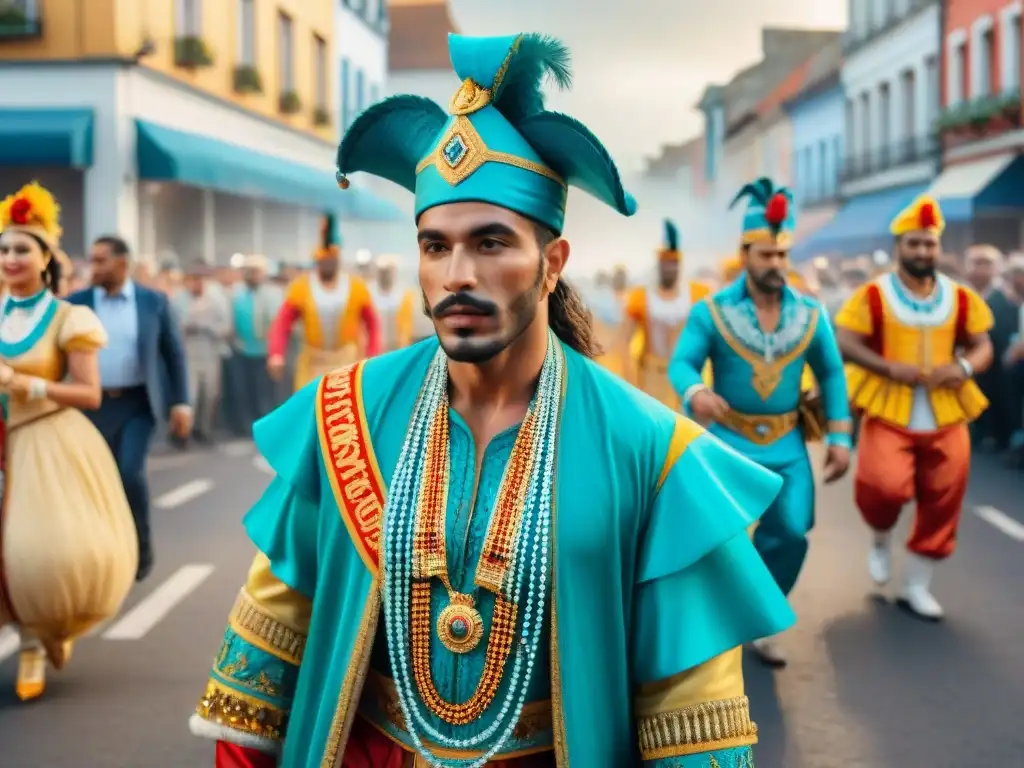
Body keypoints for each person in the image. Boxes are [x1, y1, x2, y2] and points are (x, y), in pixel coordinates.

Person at [188, 32, 794, 768]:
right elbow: (268, 646)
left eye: (491, 242)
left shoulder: (650, 451)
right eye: (435, 246)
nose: (457, 274)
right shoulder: (342, 413)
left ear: (552, 263)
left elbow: (692, 716)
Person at [668, 177, 852, 667]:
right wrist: (697, 391)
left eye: (781, 255)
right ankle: (709, 619)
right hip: (726, 442)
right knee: (714, 535)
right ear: (745, 253)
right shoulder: (711, 312)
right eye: (765, 254)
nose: (775, 264)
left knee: (791, 531)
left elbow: (831, 372)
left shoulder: (811, 315)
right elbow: (682, 363)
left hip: (789, 444)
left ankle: (761, 617)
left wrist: (838, 434)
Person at [0, 182, 137, 700]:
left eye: (21, 249)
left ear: (45, 258)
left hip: (44, 441)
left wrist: (26, 384)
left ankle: (36, 641)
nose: (10, 259)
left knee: (35, 552)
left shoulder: (67, 318)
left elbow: (89, 393)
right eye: (4, 249)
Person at [835, 195, 993, 621]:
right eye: (914, 244)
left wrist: (963, 366)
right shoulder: (873, 294)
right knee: (882, 487)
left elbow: (983, 345)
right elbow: (844, 339)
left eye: (929, 244)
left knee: (945, 497)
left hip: (945, 413)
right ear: (899, 246)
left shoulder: (959, 298)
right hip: (889, 409)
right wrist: (887, 366)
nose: (923, 252)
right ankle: (881, 537)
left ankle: (916, 585)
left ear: (939, 248)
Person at [68, 235, 192, 582]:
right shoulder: (76, 303)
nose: (93, 267)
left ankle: (140, 546)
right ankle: (102, 552)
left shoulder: (152, 302)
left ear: (122, 263)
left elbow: (174, 353)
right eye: (91, 260)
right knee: (93, 481)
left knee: (130, 474)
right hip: (91, 405)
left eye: (100, 260)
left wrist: (181, 402)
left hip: (138, 404)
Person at [267, 214, 381, 390]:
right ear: (317, 260)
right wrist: (276, 353)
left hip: (347, 363)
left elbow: (372, 322)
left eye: (331, 260)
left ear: (337, 259)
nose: (327, 264)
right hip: (312, 363)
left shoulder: (357, 287)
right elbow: (282, 323)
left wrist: (372, 354)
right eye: (323, 261)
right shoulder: (301, 287)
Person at [624, 220, 710, 403]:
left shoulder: (697, 294)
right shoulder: (641, 296)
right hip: (652, 375)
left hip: (686, 374)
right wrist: (628, 380)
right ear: (659, 263)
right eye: (666, 263)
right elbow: (624, 342)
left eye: (674, 263)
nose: (670, 268)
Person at [174, 264, 232, 443]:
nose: (196, 284)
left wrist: (208, 328)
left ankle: (203, 429)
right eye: (192, 280)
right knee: (190, 395)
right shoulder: (178, 301)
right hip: (187, 354)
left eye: (199, 280)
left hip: (210, 352)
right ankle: (183, 432)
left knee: (209, 394)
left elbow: (227, 327)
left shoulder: (216, 300)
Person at [230, 254, 282, 426]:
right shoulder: (237, 294)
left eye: (257, 272)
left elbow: (277, 323)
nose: (253, 275)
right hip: (242, 349)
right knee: (244, 390)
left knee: (264, 392)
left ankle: (266, 424)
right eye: (250, 272)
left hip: (264, 351)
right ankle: (247, 424)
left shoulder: (273, 294)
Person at [369, 255, 417, 352]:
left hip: (397, 348)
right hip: (375, 350)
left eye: (388, 271)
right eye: (383, 271)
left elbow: (407, 327)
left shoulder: (404, 294)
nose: (385, 274)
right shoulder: (369, 292)